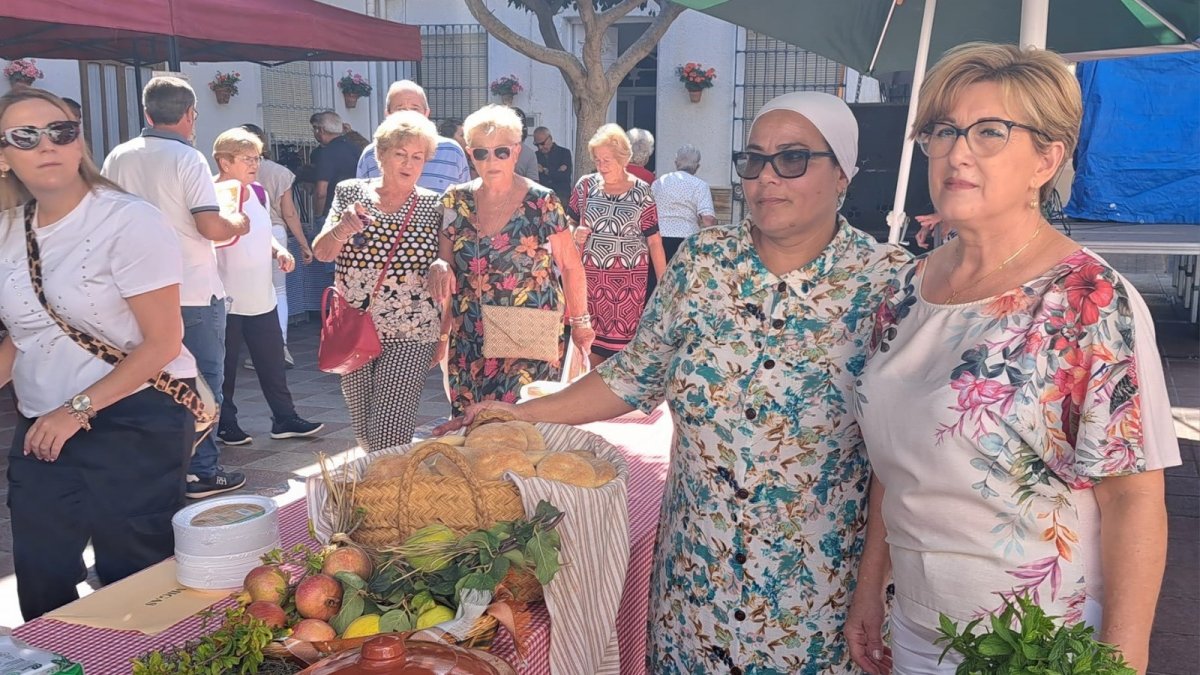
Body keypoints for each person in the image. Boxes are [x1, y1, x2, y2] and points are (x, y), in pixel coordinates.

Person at [436, 92, 911, 673]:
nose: (767, 178)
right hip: (695, 581)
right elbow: (635, 375)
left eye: (792, 159)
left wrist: (871, 586)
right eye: (753, 159)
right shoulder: (705, 262)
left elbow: (897, 458)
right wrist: (523, 413)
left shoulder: (890, 284)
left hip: (815, 595)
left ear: (841, 173)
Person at [848, 43, 1180, 675]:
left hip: (1037, 645)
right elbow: (895, 463)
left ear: (1046, 160)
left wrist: (1120, 660)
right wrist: (872, 584)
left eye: (991, 131)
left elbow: (1133, 497)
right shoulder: (903, 292)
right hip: (918, 626)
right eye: (943, 130)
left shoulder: (1088, 300)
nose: (957, 151)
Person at [0, 88, 196, 619]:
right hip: (43, 421)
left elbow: (162, 342)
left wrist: (76, 410)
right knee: (40, 573)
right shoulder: (8, 230)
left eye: (61, 131)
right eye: (26, 135)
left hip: (135, 416)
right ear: (4, 154)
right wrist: (55, 413)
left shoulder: (127, 219)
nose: (47, 145)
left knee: (134, 577)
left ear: (79, 139)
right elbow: (24, 334)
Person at [101, 76, 249, 498]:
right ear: (189, 115)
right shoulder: (189, 159)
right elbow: (209, 224)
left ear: (147, 113)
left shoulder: (117, 156)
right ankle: (200, 470)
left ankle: (153, 468)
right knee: (203, 382)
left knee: (144, 379)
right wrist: (238, 221)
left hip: (133, 291)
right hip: (192, 289)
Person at [427, 105, 592, 417]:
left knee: (525, 423)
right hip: (471, 333)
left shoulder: (542, 200)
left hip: (529, 330)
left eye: (501, 151)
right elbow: (445, 265)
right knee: (471, 425)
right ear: (469, 153)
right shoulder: (455, 200)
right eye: (481, 153)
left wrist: (581, 323)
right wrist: (443, 330)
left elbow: (570, 265)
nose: (491, 161)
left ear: (517, 151)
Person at [312, 112, 446, 451]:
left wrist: (443, 268)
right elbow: (323, 253)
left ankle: (385, 495)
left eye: (418, 157)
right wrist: (342, 229)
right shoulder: (350, 194)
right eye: (401, 154)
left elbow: (447, 262)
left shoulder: (435, 205)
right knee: (365, 430)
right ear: (381, 154)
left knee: (389, 429)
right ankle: (384, 490)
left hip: (412, 329)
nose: (409, 163)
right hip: (354, 326)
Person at [210, 128, 323, 446]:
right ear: (225, 161)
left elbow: (262, 230)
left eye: (257, 157)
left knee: (272, 360)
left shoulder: (258, 191)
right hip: (225, 294)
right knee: (225, 364)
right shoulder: (210, 192)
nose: (255, 164)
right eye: (247, 158)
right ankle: (225, 421)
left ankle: (284, 417)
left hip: (261, 292)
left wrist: (279, 250)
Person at [569, 123, 666, 366]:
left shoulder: (642, 192)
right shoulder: (585, 186)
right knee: (589, 343)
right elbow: (567, 224)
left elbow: (654, 241)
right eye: (597, 160)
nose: (601, 166)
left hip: (628, 284)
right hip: (590, 280)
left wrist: (665, 284)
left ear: (623, 158)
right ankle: (586, 395)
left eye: (607, 160)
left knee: (623, 351)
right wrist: (574, 233)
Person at [240, 123, 313, 368]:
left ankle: (253, 350)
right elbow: (289, 213)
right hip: (276, 230)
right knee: (278, 291)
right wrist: (303, 244)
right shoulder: (279, 172)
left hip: (244, 232)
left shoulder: (231, 170)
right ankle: (278, 345)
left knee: (248, 291)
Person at [355, 80, 470, 194]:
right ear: (388, 114)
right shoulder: (371, 153)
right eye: (400, 109)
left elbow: (463, 200)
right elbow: (361, 199)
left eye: (415, 109)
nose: (408, 114)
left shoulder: (451, 151)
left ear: (426, 113)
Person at [651, 144, 717, 261]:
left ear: (676, 163)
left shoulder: (658, 183)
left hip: (659, 239)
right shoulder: (700, 185)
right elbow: (708, 220)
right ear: (697, 166)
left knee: (659, 277)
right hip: (687, 239)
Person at [311, 110, 359, 223]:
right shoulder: (355, 148)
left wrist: (318, 215)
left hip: (332, 212)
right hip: (355, 210)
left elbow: (321, 192)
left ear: (321, 130)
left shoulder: (326, 153)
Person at [533, 125, 572, 203]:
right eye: (537, 145)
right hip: (542, 198)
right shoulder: (535, 156)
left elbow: (564, 176)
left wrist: (544, 170)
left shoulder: (564, 153)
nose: (540, 147)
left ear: (550, 138)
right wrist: (556, 170)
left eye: (542, 143)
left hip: (561, 198)